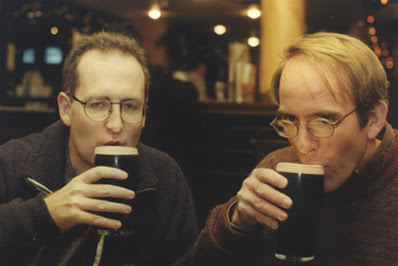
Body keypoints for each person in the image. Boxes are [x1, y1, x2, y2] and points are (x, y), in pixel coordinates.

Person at [191, 32, 398, 265]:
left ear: (373, 120)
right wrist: (237, 220)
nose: (301, 146)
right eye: (289, 119)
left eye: (324, 121)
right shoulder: (277, 169)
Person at [0, 31, 198, 265]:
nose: (116, 124)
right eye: (97, 104)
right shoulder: (12, 163)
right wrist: (47, 214)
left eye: (130, 106)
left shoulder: (165, 176)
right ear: (66, 109)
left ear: (144, 114)